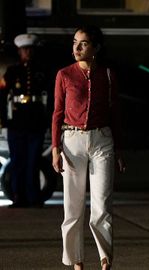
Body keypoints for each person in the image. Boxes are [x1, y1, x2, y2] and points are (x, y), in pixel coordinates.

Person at [51, 25, 126, 270]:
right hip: (72, 141)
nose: (77, 47)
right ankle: (76, 261)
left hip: (102, 139)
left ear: (96, 48)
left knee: (102, 206)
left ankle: (105, 260)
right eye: (75, 42)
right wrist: (55, 148)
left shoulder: (107, 75)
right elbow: (57, 113)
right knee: (72, 208)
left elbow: (115, 113)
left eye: (83, 43)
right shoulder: (64, 75)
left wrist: (119, 149)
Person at [0, 33, 51, 208]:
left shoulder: (42, 71)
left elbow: (49, 97)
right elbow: (3, 96)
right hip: (16, 122)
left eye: (30, 49)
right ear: (19, 52)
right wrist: (3, 120)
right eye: (24, 50)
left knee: (33, 161)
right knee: (17, 161)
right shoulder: (12, 72)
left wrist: (49, 120)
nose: (27, 53)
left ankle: (33, 197)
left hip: (36, 121)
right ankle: (18, 197)